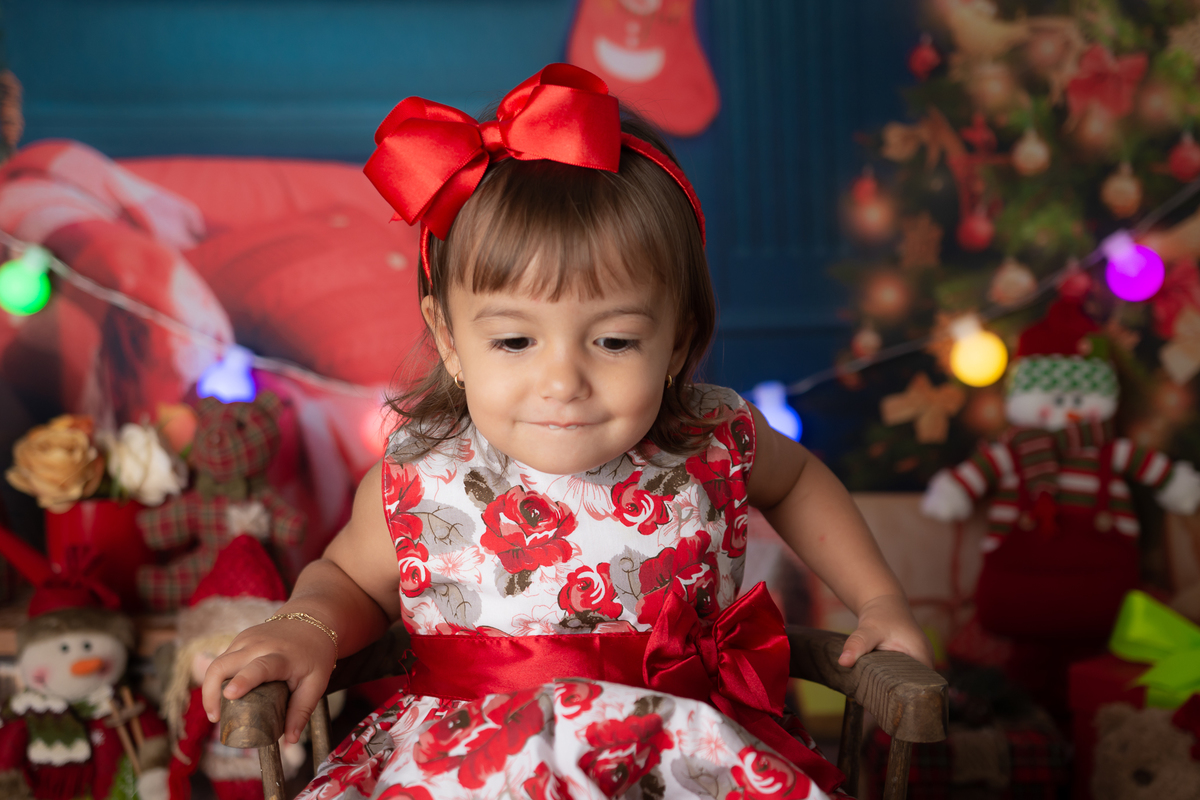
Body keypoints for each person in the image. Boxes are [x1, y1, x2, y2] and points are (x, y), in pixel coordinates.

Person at [202, 63, 932, 800]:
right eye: (516, 342)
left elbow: (800, 480)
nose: (563, 381)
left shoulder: (711, 437)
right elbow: (352, 580)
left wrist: (878, 602)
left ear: (676, 341)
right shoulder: (427, 471)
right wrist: (310, 627)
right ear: (450, 340)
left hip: (675, 750)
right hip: (473, 763)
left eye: (613, 342)